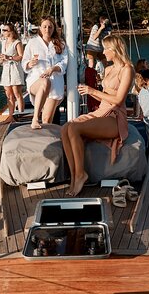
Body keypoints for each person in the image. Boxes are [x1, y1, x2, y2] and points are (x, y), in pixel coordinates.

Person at [62, 35, 135, 196]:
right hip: (102, 110)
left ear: (114, 50)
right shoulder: (108, 69)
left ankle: (81, 174)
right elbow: (104, 96)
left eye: (105, 48)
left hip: (115, 116)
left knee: (74, 128)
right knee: (65, 128)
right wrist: (86, 91)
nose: (103, 52)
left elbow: (118, 100)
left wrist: (92, 91)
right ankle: (74, 176)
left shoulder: (127, 69)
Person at [21, 16, 68, 129]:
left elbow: (64, 62)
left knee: (47, 120)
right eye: (45, 27)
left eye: (50, 27)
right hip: (36, 80)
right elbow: (24, 62)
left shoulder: (60, 43)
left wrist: (53, 69)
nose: (47, 29)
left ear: (54, 29)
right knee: (45, 82)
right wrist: (29, 63)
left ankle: (47, 143)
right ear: (40, 28)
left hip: (55, 83)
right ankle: (35, 118)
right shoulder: (32, 43)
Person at [0, 22, 25, 121]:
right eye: (3, 30)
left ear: (11, 31)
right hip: (6, 70)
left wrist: (9, 57)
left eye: (5, 30)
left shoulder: (17, 42)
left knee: (17, 93)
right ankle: (11, 116)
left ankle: (21, 114)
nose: (3, 32)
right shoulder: (3, 42)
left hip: (15, 69)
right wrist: (1, 60)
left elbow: (21, 56)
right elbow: (3, 56)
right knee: (8, 94)